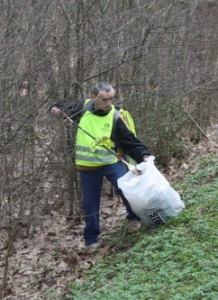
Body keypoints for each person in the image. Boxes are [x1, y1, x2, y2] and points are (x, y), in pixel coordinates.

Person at [50, 82, 151, 252]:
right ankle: (91, 240)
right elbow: (59, 106)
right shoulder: (81, 108)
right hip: (87, 167)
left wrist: (144, 155)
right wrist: (55, 109)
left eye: (111, 99)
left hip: (111, 163)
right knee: (90, 204)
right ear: (94, 97)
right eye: (104, 99)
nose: (108, 103)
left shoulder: (116, 116)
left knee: (126, 189)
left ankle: (134, 218)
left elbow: (130, 141)